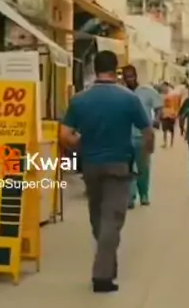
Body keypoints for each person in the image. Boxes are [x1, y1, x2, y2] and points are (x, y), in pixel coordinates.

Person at [60, 50, 154, 294]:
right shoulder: (128, 99)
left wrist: (81, 146)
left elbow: (65, 135)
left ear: (95, 68)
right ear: (116, 69)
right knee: (112, 220)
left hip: (91, 166)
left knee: (98, 218)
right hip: (118, 165)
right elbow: (148, 132)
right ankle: (102, 276)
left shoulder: (80, 99)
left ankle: (107, 264)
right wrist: (144, 156)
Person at [121, 64, 163, 207]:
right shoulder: (121, 93)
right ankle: (130, 197)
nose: (129, 80)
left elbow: (158, 107)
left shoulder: (147, 91)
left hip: (143, 136)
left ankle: (144, 193)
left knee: (143, 167)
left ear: (136, 76)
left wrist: (156, 119)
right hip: (125, 136)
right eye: (126, 77)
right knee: (127, 167)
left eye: (131, 77)